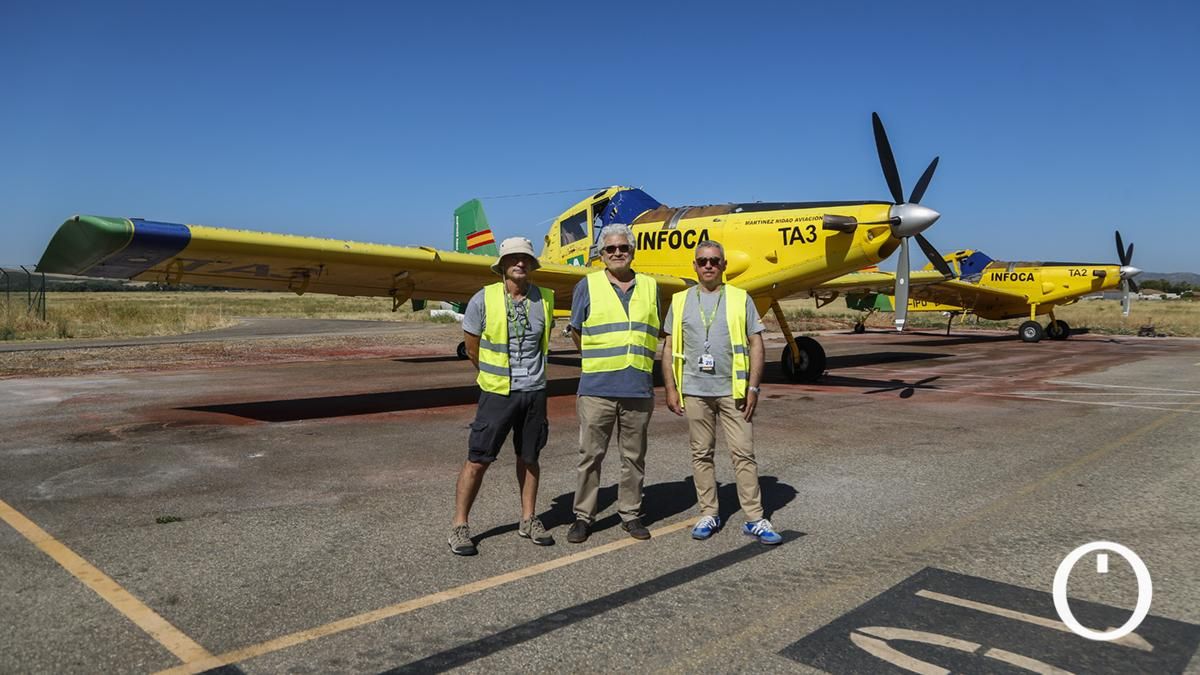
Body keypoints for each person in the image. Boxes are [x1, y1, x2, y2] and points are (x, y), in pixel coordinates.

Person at [661, 241, 782, 545]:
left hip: (734, 392)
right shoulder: (679, 301)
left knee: (744, 453)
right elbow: (669, 348)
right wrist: (671, 389)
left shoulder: (741, 299)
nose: (709, 266)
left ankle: (755, 518)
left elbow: (756, 343)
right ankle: (709, 513)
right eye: (703, 261)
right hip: (694, 391)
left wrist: (753, 387)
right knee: (701, 453)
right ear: (695, 266)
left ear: (724, 265)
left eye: (715, 261)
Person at [448, 237, 555, 556]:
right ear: (503, 265)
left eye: (525, 258)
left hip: (534, 392)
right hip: (497, 393)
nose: (519, 262)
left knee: (530, 457)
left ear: (532, 264)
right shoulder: (483, 299)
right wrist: (493, 376)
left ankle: (528, 519)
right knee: (478, 460)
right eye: (513, 258)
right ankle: (459, 525)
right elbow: (472, 347)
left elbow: (542, 345)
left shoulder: (546, 299)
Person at [566, 224, 659, 543]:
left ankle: (631, 514)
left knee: (633, 457)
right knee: (590, 456)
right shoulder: (587, 285)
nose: (617, 253)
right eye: (610, 249)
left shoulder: (650, 286)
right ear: (601, 254)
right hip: (597, 390)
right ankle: (583, 516)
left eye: (624, 248)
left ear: (633, 251)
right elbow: (576, 330)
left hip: (638, 389)